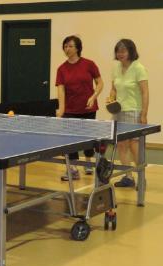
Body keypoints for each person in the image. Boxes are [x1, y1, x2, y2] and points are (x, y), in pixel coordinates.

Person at [56, 35, 104, 181]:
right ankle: (73, 169)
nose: (67, 49)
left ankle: (88, 163)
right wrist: (61, 109)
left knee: (88, 140)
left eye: (70, 46)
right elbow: (61, 90)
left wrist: (94, 96)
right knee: (70, 141)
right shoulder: (62, 69)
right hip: (71, 110)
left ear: (77, 48)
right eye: (65, 46)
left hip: (88, 108)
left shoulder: (89, 64)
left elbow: (100, 83)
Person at [107, 39, 149, 187]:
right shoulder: (116, 67)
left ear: (131, 51)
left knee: (133, 145)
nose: (120, 54)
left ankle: (141, 177)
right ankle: (128, 177)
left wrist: (143, 114)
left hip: (133, 111)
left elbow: (145, 92)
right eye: (118, 51)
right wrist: (111, 97)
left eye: (123, 51)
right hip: (118, 111)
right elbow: (114, 88)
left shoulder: (139, 68)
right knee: (121, 145)